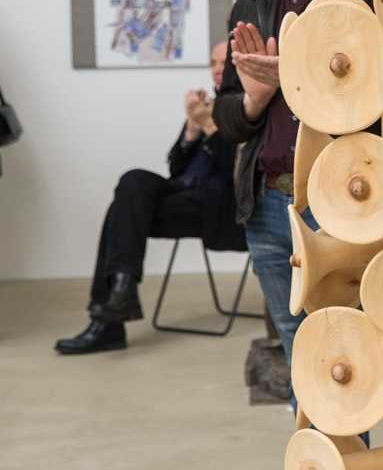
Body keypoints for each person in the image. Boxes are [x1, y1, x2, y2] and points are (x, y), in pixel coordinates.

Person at [211, 0, 378, 470]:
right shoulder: (252, 3)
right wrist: (253, 96)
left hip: (346, 212)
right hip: (270, 206)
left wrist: (309, 82)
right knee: (309, 372)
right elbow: (227, 120)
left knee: (350, 368)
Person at [54, 42, 244, 354]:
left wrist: (209, 126)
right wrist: (192, 130)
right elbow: (175, 165)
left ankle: (111, 317)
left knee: (121, 212)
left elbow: (236, 172)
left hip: (218, 207)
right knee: (134, 181)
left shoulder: (245, 106)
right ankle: (121, 290)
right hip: (183, 193)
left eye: (225, 62)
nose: (217, 68)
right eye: (212, 62)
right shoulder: (207, 104)